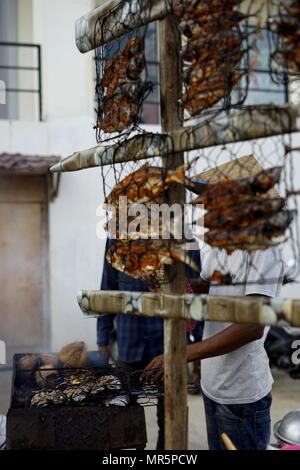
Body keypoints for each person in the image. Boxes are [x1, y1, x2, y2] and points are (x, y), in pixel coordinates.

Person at [142, 246, 284, 450]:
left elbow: (252, 327)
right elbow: (209, 287)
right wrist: (170, 283)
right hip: (212, 385)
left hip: (241, 394)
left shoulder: (265, 249)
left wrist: (181, 355)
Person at [97, 237, 201, 450]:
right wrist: (102, 338)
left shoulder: (184, 241)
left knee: (170, 417)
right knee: (126, 415)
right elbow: (107, 290)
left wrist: (199, 346)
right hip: (129, 343)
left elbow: (196, 298)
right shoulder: (116, 241)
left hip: (169, 347)